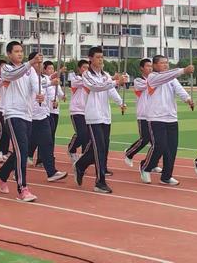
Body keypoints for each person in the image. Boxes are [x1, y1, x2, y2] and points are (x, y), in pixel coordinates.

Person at [0, 41, 44, 202]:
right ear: (9, 54)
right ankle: (23, 188)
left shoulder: (30, 71)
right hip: (12, 114)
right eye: (16, 51)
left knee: (20, 151)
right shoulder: (6, 69)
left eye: (21, 51)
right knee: (22, 151)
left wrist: (39, 94)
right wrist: (31, 63)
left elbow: (35, 84)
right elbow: (14, 75)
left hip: (27, 114)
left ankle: (1, 174)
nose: (20, 54)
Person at [74, 47, 127, 194]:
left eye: (102, 57)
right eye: (97, 57)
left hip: (105, 115)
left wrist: (120, 102)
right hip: (93, 115)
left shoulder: (105, 75)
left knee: (99, 148)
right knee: (99, 148)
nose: (100, 60)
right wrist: (115, 82)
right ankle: (100, 181)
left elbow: (110, 90)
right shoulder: (86, 75)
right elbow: (96, 87)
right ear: (90, 59)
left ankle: (80, 165)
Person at [139, 55, 194, 186]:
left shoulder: (171, 78)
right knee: (160, 145)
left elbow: (179, 89)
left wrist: (188, 99)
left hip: (171, 117)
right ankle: (146, 167)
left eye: (167, 63)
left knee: (171, 148)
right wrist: (183, 71)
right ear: (155, 65)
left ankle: (166, 176)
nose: (166, 65)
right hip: (156, 117)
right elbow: (166, 76)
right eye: (163, 63)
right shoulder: (153, 77)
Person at [28, 52, 68, 182]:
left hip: (42, 115)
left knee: (47, 143)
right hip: (30, 115)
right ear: (32, 62)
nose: (41, 65)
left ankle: (51, 172)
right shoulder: (28, 74)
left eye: (42, 61)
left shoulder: (42, 77)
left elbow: (46, 82)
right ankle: (8, 171)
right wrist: (51, 81)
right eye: (39, 62)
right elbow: (38, 85)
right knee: (25, 146)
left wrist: (53, 83)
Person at [124, 59, 161, 173]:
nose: (150, 68)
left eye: (151, 66)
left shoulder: (155, 79)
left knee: (158, 142)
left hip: (154, 114)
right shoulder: (138, 80)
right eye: (147, 66)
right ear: (142, 68)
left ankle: (152, 163)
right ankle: (129, 153)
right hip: (143, 115)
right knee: (145, 139)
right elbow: (149, 84)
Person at [67, 60, 90, 163]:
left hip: (87, 111)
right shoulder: (75, 79)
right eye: (84, 67)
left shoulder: (90, 80)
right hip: (76, 110)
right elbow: (83, 82)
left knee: (87, 135)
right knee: (81, 133)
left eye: (87, 68)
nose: (86, 70)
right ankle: (71, 148)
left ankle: (84, 156)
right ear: (79, 69)